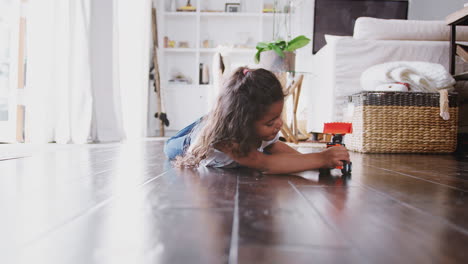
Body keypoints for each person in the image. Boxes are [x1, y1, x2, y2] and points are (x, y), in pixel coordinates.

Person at [164, 67, 350, 174]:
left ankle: (212, 117)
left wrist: (314, 163)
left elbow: (276, 147)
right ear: (242, 124)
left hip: (221, 121)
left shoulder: (258, 128)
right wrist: (320, 158)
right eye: (270, 122)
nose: (279, 124)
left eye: (279, 116)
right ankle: (209, 119)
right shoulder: (226, 142)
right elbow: (263, 163)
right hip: (190, 142)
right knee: (169, 146)